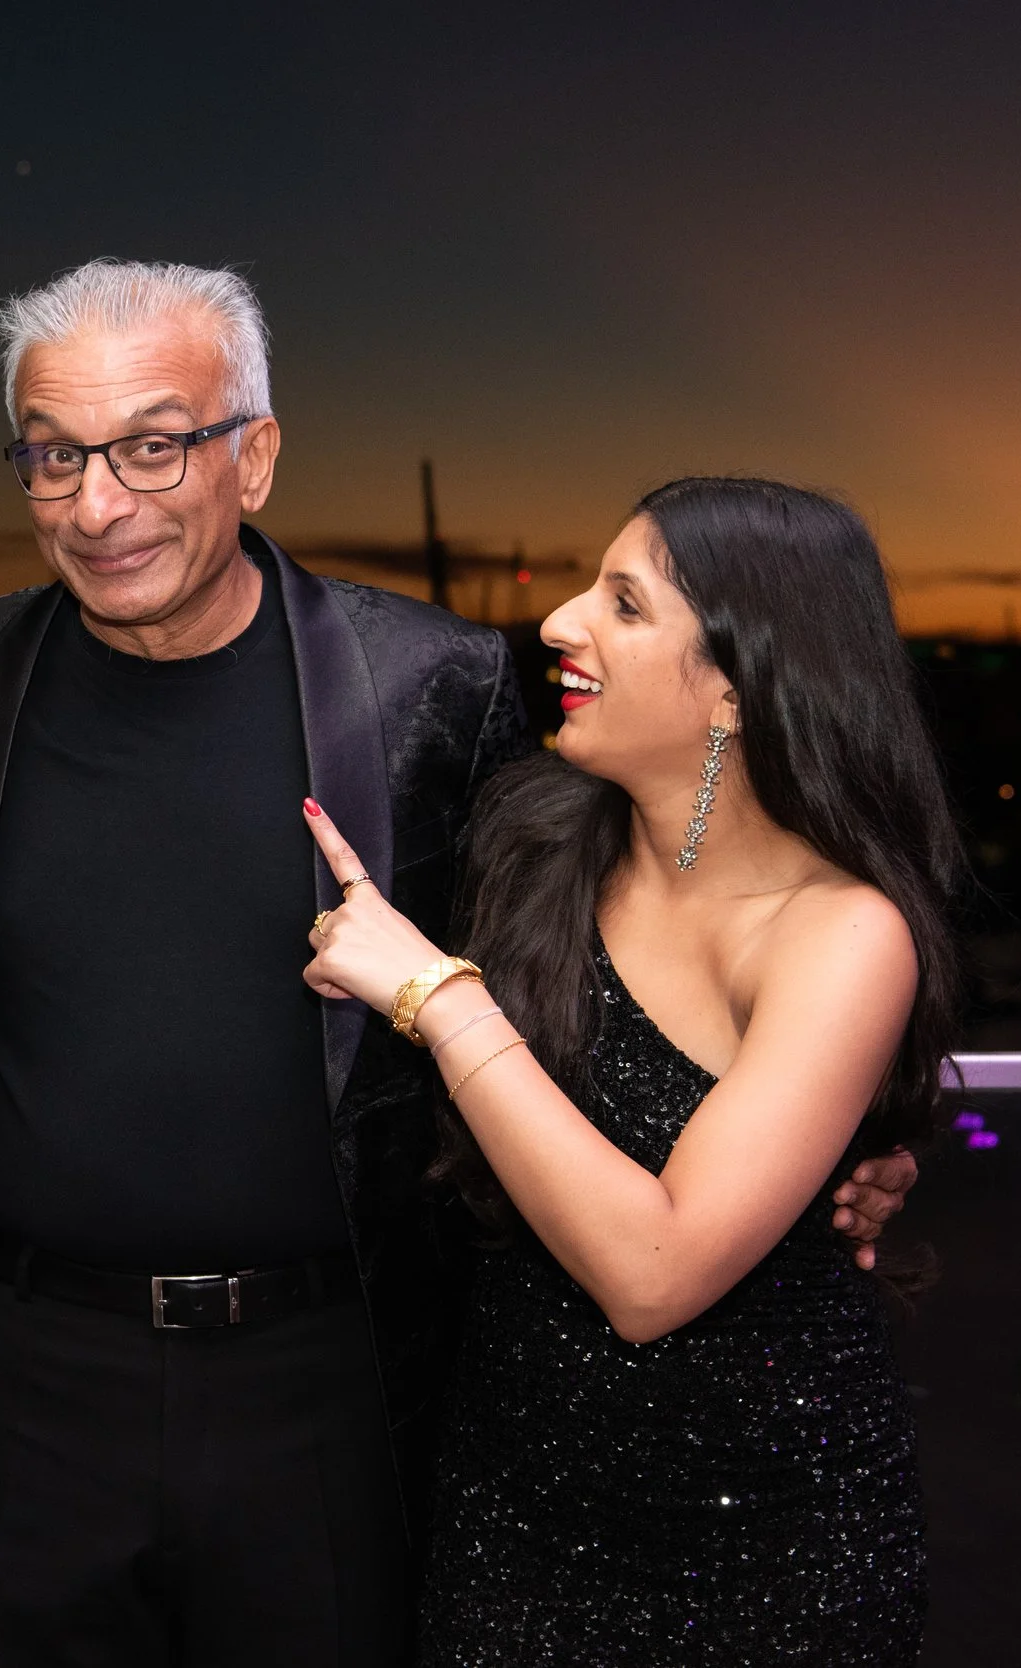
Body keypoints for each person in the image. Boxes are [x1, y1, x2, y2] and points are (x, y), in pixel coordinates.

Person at [0, 260, 919, 1663]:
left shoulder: (434, 686)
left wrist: (845, 1117)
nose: (96, 506)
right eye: (54, 457)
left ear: (256, 455)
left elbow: (621, 940)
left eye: (153, 446)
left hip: (336, 1383)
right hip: (16, 1382)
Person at [302, 477, 948, 1661]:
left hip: (767, 1552)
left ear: (734, 690)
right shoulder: (529, 840)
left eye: (625, 604)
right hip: (507, 1518)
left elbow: (653, 1276)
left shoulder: (839, 933)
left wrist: (435, 996)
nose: (558, 621)